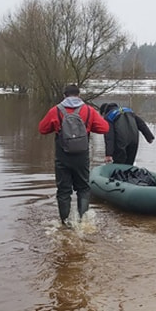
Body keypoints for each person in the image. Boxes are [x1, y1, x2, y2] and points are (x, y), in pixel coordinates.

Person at [39, 84, 109, 224]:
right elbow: (105, 128)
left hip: (62, 156)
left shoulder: (55, 111)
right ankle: (83, 222)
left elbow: (42, 129)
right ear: (79, 94)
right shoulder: (88, 110)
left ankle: (65, 224)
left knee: (64, 191)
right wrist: (88, 126)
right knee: (83, 188)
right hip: (82, 157)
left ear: (64, 95)